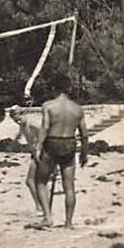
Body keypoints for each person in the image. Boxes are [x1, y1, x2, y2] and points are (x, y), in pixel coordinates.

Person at [35, 86, 89, 228]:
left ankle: (47, 217)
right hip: (69, 143)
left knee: (40, 182)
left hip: (52, 142)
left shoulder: (48, 105)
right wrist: (84, 153)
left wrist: (38, 146)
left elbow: (45, 127)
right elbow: (84, 134)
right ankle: (68, 222)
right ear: (69, 89)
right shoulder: (77, 108)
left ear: (53, 88)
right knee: (69, 186)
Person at [6, 104, 47, 220]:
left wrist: (40, 147)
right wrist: (12, 144)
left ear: (24, 114)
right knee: (32, 181)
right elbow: (19, 134)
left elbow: (46, 133)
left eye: (18, 119)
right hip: (36, 154)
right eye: (15, 120)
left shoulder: (32, 123)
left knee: (34, 181)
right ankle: (41, 207)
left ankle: (42, 208)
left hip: (44, 153)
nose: (17, 122)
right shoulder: (23, 124)